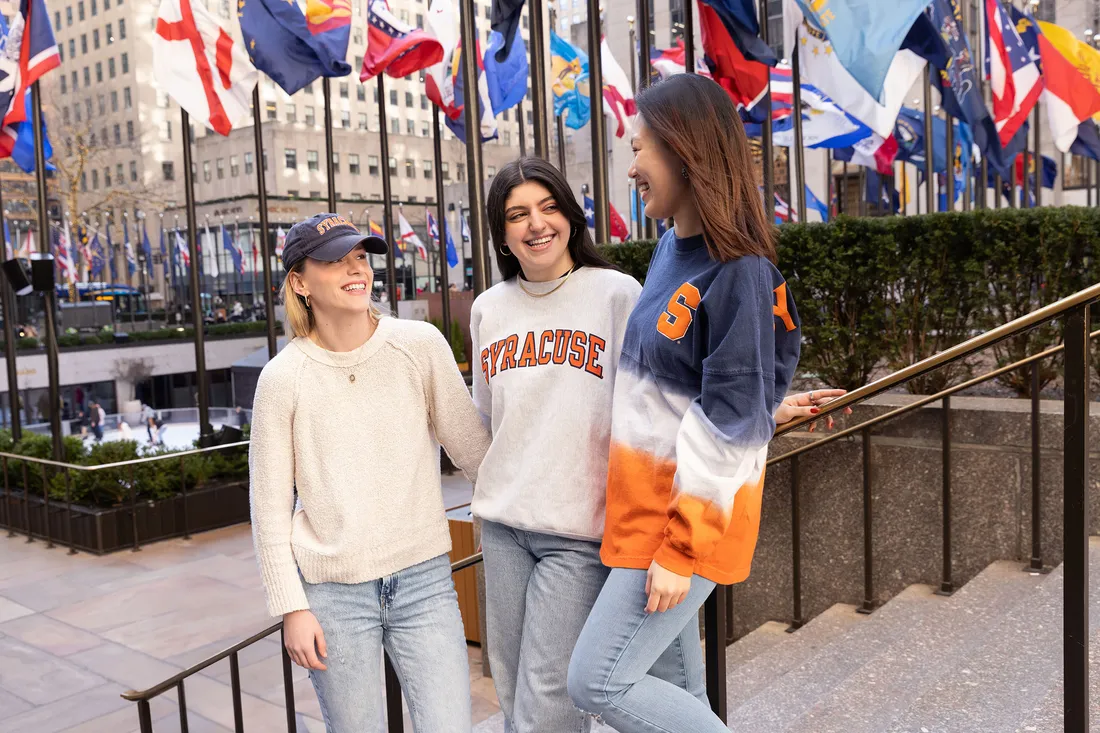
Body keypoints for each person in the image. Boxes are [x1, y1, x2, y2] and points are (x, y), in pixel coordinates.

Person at [565, 73, 813, 731]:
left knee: (597, 678)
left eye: (642, 146)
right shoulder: (674, 248)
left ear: (685, 151)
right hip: (643, 508)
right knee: (675, 687)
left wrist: (680, 548)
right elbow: (739, 380)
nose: (632, 165)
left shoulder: (739, 269)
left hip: (682, 524)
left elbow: (736, 403)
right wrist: (764, 409)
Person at [249, 213, 489, 733]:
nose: (356, 269)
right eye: (335, 260)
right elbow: (267, 511)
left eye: (360, 256)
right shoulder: (282, 379)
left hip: (424, 581)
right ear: (299, 281)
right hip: (332, 596)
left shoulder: (418, 345)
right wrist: (292, 608)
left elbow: (476, 455)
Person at [471, 157, 645, 732]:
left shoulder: (617, 294)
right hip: (500, 527)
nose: (536, 224)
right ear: (501, 234)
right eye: (517, 214)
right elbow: (485, 418)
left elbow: (657, 400)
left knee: (547, 699)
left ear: (570, 215)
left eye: (548, 207)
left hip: (577, 532)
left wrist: (763, 410)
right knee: (513, 690)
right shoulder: (488, 309)